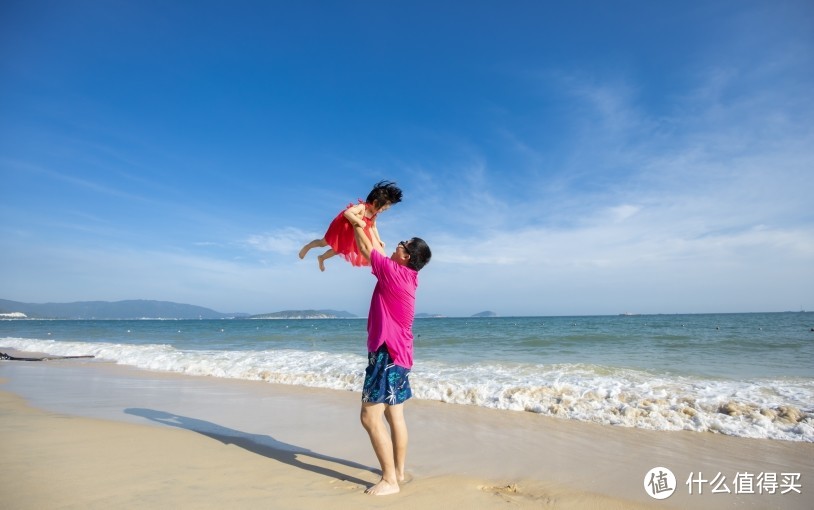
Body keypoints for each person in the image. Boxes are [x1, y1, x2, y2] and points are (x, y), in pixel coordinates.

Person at [351, 219, 431, 496]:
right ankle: (397, 471)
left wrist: (355, 221)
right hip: (402, 354)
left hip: (386, 352)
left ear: (406, 256)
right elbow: (375, 247)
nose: (400, 242)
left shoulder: (393, 273)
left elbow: (365, 247)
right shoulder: (408, 275)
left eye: (404, 244)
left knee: (369, 417)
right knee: (394, 413)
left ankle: (390, 481)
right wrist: (370, 225)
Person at [299, 181, 403, 271]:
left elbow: (373, 227)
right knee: (324, 242)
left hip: (351, 233)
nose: (381, 211)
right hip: (342, 227)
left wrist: (379, 240)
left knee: (338, 250)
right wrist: (358, 220)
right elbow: (347, 213)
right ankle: (308, 247)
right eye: (382, 209)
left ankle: (321, 258)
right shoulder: (362, 207)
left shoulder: (374, 214)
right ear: (375, 202)